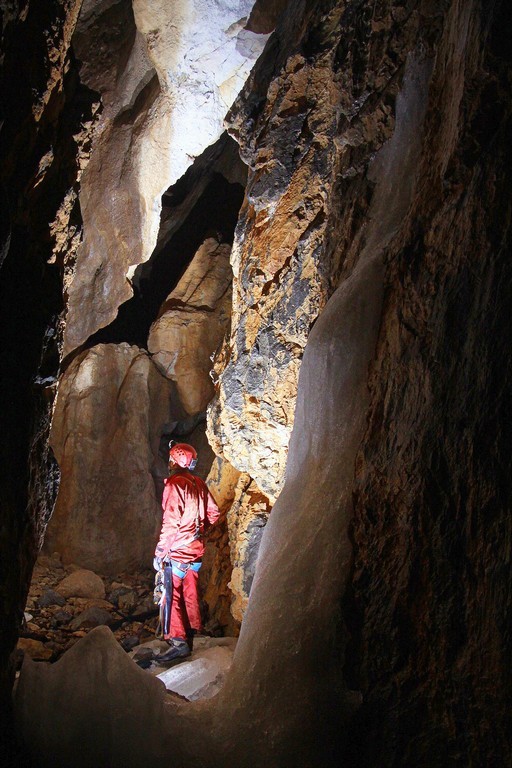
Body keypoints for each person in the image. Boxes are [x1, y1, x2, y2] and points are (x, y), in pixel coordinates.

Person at [153, 441, 220, 662]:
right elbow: (214, 514)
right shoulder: (198, 483)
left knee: (171, 595)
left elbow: (171, 522)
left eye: (171, 459)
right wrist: (198, 532)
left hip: (179, 550)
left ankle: (178, 641)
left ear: (176, 460)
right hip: (196, 549)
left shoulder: (175, 485)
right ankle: (194, 629)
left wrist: (161, 551)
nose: (170, 463)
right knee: (191, 590)